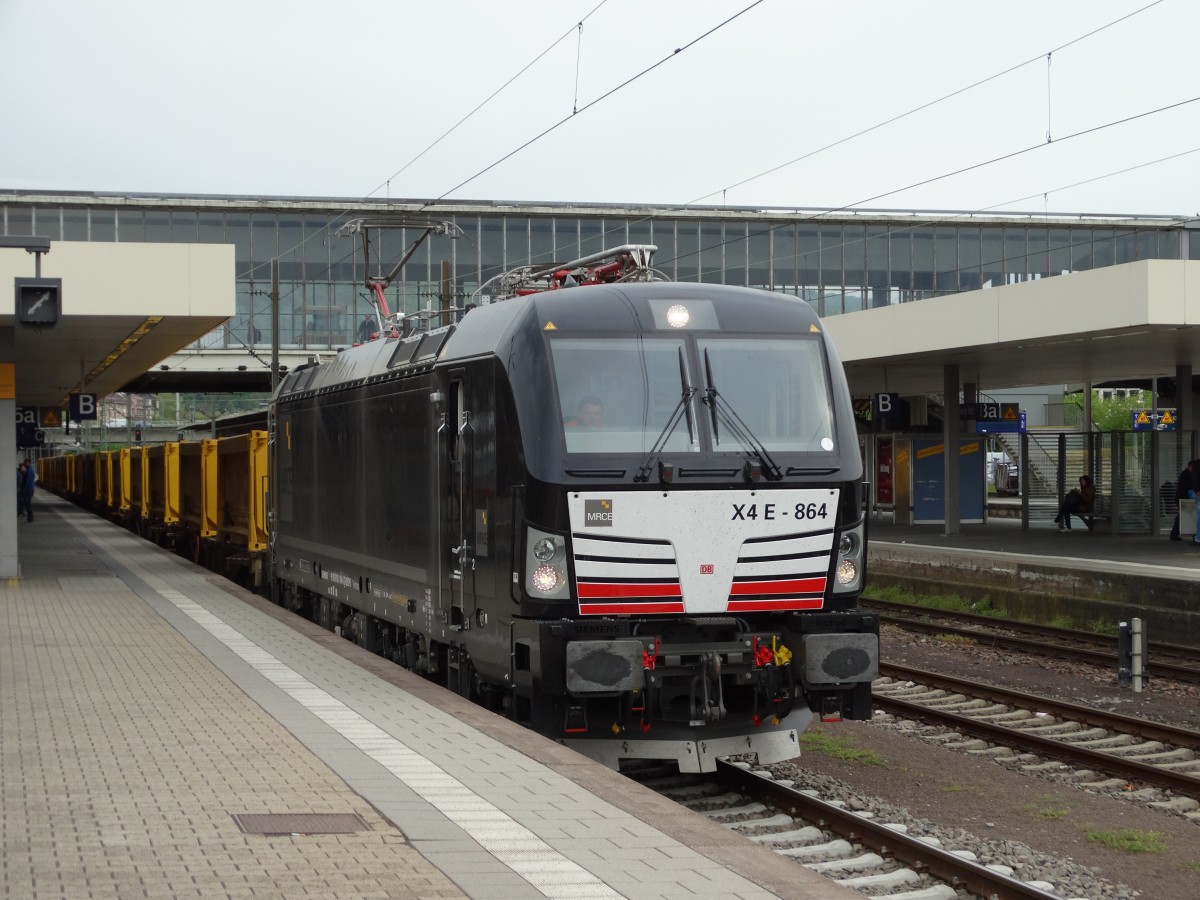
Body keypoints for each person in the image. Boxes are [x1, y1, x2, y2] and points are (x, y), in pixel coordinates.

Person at [1168, 460, 1195, 541]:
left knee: (1181, 516)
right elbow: (1187, 487)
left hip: (1182, 498)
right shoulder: (1186, 475)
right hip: (1183, 498)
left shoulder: (1186, 474)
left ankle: (1174, 534)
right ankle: (1174, 534)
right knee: (1182, 517)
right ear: (1189, 466)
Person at [18, 458, 36, 523]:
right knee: (27, 503)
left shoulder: (30, 471)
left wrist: (23, 489)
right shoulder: (27, 470)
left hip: (28, 489)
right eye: (24, 463)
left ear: (29, 463)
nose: (25, 464)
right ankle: (30, 519)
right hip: (28, 489)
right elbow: (24, 480)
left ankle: (30, 519)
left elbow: (27, 481)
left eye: (26, 463)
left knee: (28, 504)